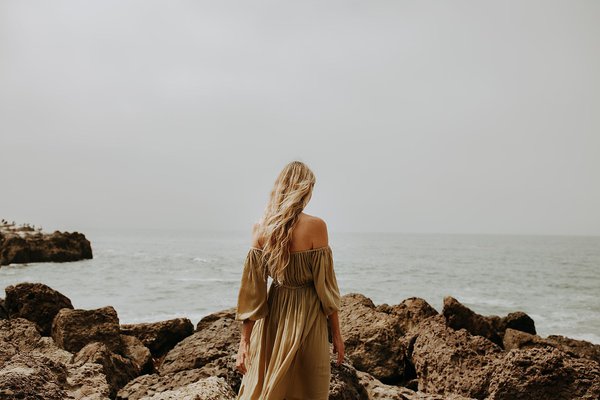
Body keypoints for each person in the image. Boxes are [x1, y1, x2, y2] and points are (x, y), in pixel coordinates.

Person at [234, 160, 345, 400]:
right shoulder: (317, 226)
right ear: (304, 189)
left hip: (273, 315)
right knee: (309, 389)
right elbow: (326, 288)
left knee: (266, 388)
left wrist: (244, 342)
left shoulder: (261, 228)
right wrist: (336, 333)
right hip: (309, 315)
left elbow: (252, 294)